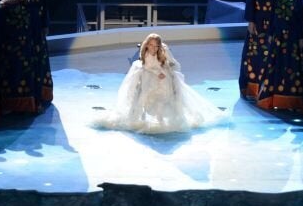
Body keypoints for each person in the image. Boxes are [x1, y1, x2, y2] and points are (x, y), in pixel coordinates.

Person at [94, 33, 227, 134]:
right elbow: (146, 67)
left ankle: (163, 119)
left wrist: (169, 71)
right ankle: (140, 117)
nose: (153, 48)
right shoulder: (145, 52)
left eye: (156, 46)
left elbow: (171, 63)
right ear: (147, 45)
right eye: (151, 45)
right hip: (149, 73)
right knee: (147, 89)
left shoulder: (163, 51)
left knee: (165, 89)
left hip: (162, 72)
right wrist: (158, 73)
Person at [0, 0, 53, 110]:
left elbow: (44, 3)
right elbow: (0, 9)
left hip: (35, 31)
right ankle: (13, 102)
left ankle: (40, 95)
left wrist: (45, 25)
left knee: (39, 62)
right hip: (14, 35)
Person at [256, 0, 303, 110]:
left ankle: (295, 100)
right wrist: (270, 33)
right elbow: (273, 15)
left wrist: (302, 37)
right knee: (277, 65)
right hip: (279, 37)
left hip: (294, 38)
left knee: (294, 67)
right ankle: (276, 98)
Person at [240, 0, 282, 98]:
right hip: (258, 20)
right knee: (255, 55)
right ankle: (253, 88)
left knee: (275, 53)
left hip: (276, 21)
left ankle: (273, 87)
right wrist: (251, 19)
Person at [0, 0, 37, 114]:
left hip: (24, 45)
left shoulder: (26, 4)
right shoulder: (1, 7)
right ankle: (8, 106)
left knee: (26, 74)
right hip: (8, 47)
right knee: (9, 75)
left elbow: (33, 24)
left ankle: (27, 105)